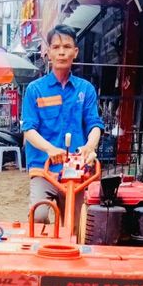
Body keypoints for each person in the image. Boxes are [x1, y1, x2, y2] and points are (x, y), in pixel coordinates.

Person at [22, 24, 104, 224]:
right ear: (48, 52)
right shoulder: (35, 89)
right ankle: (45, 240)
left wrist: (89, 146)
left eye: (67, 47)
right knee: (38, 216)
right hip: (43, 168)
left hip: (76, 171)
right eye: (56, 47)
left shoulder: (85, 90)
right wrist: (50, 149)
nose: (61, 52)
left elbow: (94, 124)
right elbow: (29, 129)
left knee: (73, 225)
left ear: (75, 52)